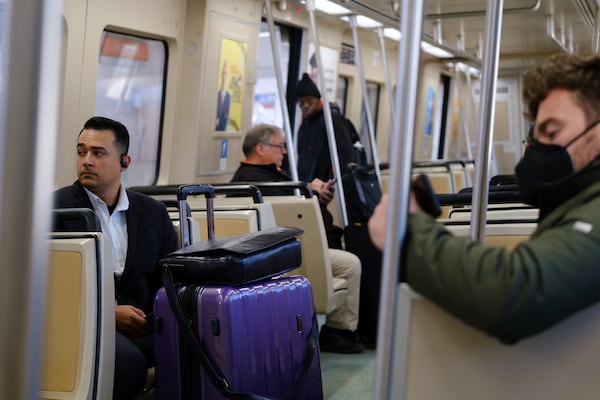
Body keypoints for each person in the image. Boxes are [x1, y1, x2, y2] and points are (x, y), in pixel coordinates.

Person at [368, 53, 600, 344]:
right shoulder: (576, 202)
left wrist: (410, 234)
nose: (540, 151)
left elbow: (516, 294)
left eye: (552, 132)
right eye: (536, 139)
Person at [54, 116, 178, 399]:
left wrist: (158, 316)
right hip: (80, 327)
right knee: (128, 364)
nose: (86, 161)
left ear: (125, 162)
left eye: (98, 153)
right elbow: (46, 288)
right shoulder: (54, 210)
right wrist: (105, 315)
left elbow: (169, 277)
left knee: (200, 344)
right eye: (81, 151)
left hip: (144, 323)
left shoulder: (152, 213)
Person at [231, 124, 365, 353]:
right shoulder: (255, 183)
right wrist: (308, 192)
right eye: (280, 146)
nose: (284, 152)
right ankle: (338, 331)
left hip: (290, 247)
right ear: (261, 149)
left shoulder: (270, 177)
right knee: (350, 264)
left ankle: (340, 330)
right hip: (284, 252)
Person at [296, 73, 356, 248]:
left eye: (309, 101)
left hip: (322, 185)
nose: (305, 105)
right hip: (307, 187)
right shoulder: (305, 125)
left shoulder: (331, 120)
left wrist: (329, 183)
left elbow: (344, 154)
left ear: (318, 99)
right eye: (301, 102)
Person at [216, 60, 231, 131]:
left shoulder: (228, 97)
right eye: (223, 73)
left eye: (226, 73)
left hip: (223, 127)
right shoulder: (216, 95)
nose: (224, 76)